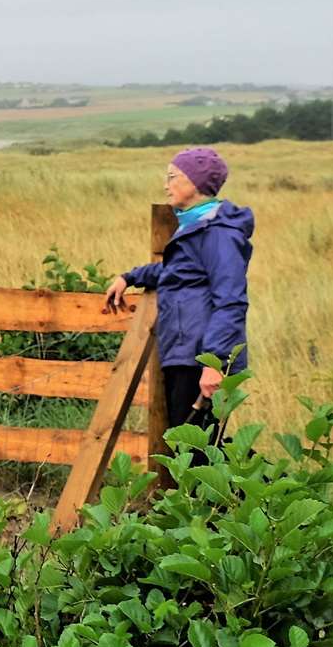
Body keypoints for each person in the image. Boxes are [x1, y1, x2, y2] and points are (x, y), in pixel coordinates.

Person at [103, 147, 253, 444]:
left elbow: (231, 301)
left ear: (195, 184)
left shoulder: (218, 233)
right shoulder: (196, 226)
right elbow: (179, 274)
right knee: (198, 448)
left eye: (172, 177)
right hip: (186, 352)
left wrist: (215, 363)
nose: (166, 184)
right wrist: (130, 277)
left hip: (199, 359)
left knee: (198, 453)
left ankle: (268, 488)